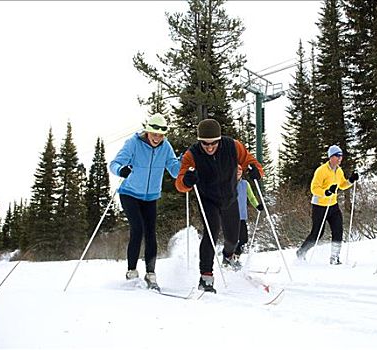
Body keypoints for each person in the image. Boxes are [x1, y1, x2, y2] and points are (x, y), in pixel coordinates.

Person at [175, 119, 264, 293]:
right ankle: (206, 277)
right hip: (208, 200)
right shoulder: (192, 155)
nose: (209, 148)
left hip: (229, 197)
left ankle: (228, 255)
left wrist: (255, 170)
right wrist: (187, 180)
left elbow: (251, 161)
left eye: (213, 143)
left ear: (219, 139)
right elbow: (180, 183)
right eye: (205, 144)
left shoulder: (233, 146)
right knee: (211, 232)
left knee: (233, 238)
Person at [109, 113, 181, 291]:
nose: (157, 138)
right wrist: (122, 170)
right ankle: (132, 271)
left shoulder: (166, 147)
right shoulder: (134, 143)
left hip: (150, 196)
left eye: (160, 135)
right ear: (147, 131)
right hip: (130, 193)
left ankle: (151, 273)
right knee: (138, 229)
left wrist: (185, 165)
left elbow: (174, 170)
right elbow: (115, 163)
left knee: (150, 233)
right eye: (153, 134)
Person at [296, 145, 359, 265]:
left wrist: (351, 180)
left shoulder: (339, 171)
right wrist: (326, 192)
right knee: (317, 234)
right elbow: (314, 188)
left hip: (333, 205)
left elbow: (342, 185)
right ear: (331, 157)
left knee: (338, 230)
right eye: (337, 156)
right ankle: (301, 252)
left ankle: (334, 257)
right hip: (319, 205)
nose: (340, 158)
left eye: (341, 156)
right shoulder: (321, 170)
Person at [234, 164, 264, 259]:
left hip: (242, 216)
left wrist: (257, 205)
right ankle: (228, 258)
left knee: (243, 239)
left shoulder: (245, 184)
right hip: (230, 216)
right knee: (232, 240)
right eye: (236, 169)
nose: (238, 171)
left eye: (240, 169)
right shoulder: (228, 183)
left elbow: (251, 197)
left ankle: (236, 256)